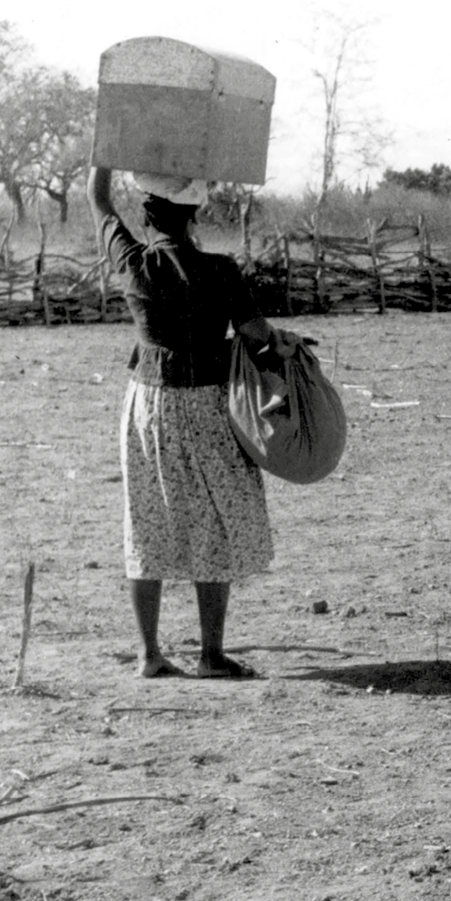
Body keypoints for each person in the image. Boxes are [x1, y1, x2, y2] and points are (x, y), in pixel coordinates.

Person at [88, 167, 296, 679]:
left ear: (146, 214)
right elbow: (254, 334)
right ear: (194, 215)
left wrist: (106, 156)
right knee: (215, 521)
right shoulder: (221, 271)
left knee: (146, 519)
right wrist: (282, 341)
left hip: (148, 405)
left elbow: (99, 201)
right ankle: (210, 655)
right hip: (207, 403)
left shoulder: (133, 264)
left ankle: (149, 655)